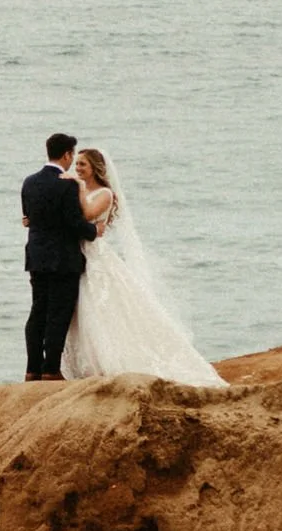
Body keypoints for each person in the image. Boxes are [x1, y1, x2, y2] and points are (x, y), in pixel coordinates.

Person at [60, 144, 224, 386]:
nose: (78, 168)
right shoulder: (81, 189)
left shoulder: (105, 194)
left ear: (95, 168)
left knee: (101, 307)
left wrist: (78, 187)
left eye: (83, 164)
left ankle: (109, 362)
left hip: (97, 258)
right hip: (80, 255)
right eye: (77, 164)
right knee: (82, 311)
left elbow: (85, 215)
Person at [20, 131, 94, 380]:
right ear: (67, 154)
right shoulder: (67, 184)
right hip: (63, 258)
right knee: (58, 313)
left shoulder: (29, 182)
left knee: (38, 311)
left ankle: (32, 368)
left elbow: (28, 217)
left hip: (37, 256)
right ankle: (51, 368)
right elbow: (74, 222)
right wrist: (94, 231)